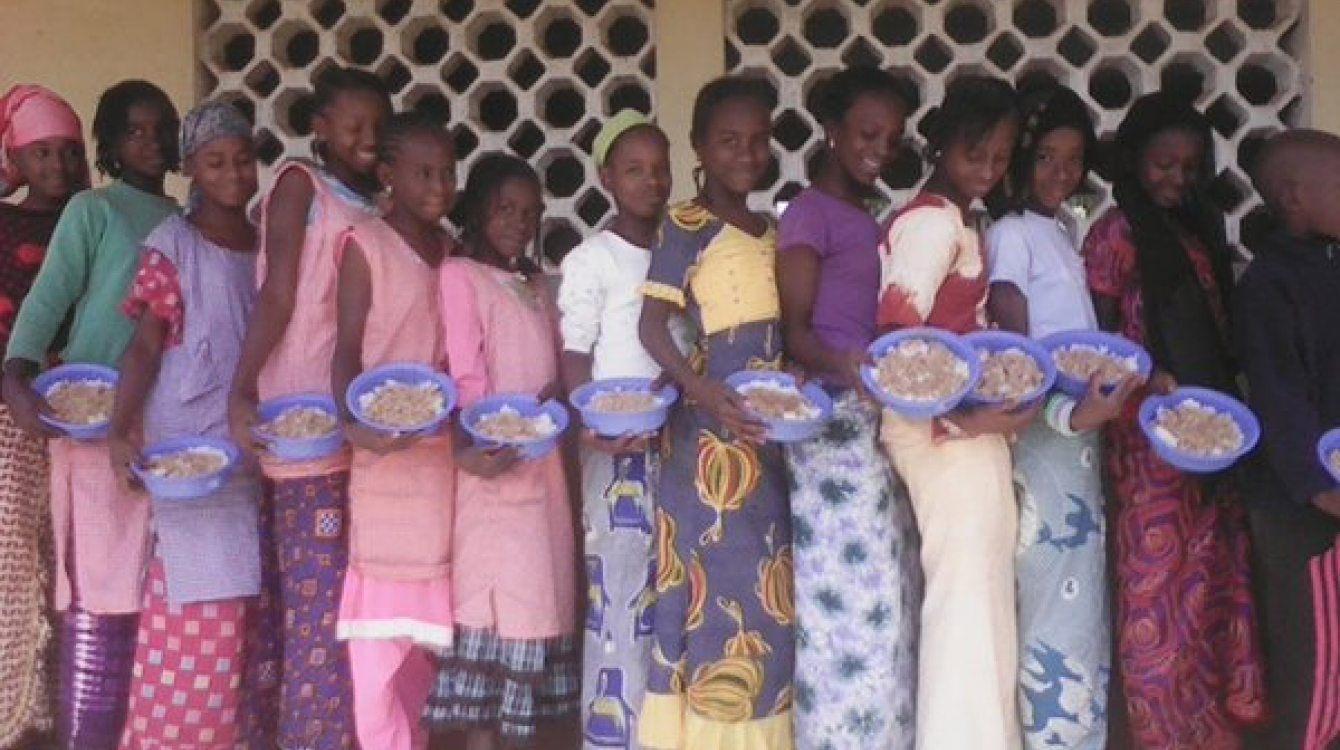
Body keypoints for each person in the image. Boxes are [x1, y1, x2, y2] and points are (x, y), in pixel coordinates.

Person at [1083, 90, 1266, 748]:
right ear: (1134, 159)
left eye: (1189, 167)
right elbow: (1098, 342)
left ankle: (1211, 732)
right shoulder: (1115, 233)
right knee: (1153, 602)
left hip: (1210, 440)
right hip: (1144, 446)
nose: (1176, 178)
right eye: (1164, 163)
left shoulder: (1199, 229)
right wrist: (1143, 380)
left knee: (1205, 594)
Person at [1, 79, 179, 750]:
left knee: (145, 591)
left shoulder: (186, 219)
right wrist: (17, 374)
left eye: (162, 128)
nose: (152, 142)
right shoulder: (92, 209)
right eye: (134, 130)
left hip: (159, 422)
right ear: (107, 145)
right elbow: (48, 301)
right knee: (95, 595)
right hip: (89, 417)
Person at [227, 65, 391, 750]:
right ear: (319, 127)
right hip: (304, 421)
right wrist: (241, 389)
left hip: (361, 422)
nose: (368, 140)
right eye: (353, 127)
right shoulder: (301, 184)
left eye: (378, 128)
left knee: (347, 610)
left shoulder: (377, 199)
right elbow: (280, 294)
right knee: (318, 616)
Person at [635, 75, 794, 750]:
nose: (746, 153)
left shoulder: (779, 230)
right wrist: (704, 396)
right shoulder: (684, 224)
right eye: (729, 140)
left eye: (758, 140)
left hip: (770, 438)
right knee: (711, 596)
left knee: (766, 596)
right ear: (700, 145)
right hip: (707, 445)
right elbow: (652, 326)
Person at [875, 73, 1030, 750]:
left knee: (981, 604)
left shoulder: (960, 218)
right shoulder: (933, 222)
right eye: (976, 154)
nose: (989, 170)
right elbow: (898, 341)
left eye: (1000, 157)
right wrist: (969, 417)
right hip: (941, 433)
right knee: (967, 609)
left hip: (961, 429)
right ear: (940, 145)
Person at [984, 84, 1140, 750]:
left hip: (1078, 433)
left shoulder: (1061, 230)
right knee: (1055, 604)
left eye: (1073, 160)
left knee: (1081, 603)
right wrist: (1074, 414)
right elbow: (1020, 356)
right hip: (1049, 436)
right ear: (1019, 158)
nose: (1062, 173)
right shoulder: (1011, 232)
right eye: (1046, 157)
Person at [105, 100, 261, 750]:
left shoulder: (266, 247)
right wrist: (121, 428)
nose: (233, 173)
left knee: (241, 614)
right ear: (190, 167)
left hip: (247, 448)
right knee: (200, 605)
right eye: (215, 161)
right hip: (188, 453)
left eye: (243, 159)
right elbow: (143, 346)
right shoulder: (174, 244)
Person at [774, 66, 921, 750]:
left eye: (891, 139)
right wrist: (851, 367)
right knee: (847, 618)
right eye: (867, 133)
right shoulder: (808, 214)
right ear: (832, 134)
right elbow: (796, 330)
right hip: (828, 428)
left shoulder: (867, 220)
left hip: (871, 419)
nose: (879, 149)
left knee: (886, 604)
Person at [423, 154, 579, 749]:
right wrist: (482, 436)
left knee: (537, 617)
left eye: (530, 212)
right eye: (505, 208)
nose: (519, 221)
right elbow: (466, 372)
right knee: (498, 635)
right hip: (495, 476)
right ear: (479, 208)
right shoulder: (460, 275)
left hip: (545, 482)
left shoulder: (537, 284)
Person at [557, 109, 685, 749]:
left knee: (667, 605)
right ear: (607, 177)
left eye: (659, 167)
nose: (651, 180)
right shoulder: (594, 259)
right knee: (618, 602)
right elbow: (576, 351)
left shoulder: (680, 251)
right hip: (615, 450)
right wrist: (590, 422)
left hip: (676, 446)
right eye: (634, 169)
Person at [330, 112, 457, 750]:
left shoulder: (454, 253)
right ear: (389, 176)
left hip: (441, 470)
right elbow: (346, 351)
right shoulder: (365, 245)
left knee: (430, 644)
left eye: (447, 172)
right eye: (423, 173)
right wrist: (356, 425)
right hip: (384, 468)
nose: (439, 185)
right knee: (378, 652)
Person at [1236, 128, 1340, 750]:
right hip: (1308, 516)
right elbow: (1279, 406)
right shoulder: (1269, 287)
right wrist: (1324, 493)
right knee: (1314, 680)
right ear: (1294, 199)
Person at [0, 83, 88, 750]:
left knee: (73, 561)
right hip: (9, 418)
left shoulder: (93, 220)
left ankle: (59, 710)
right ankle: (13, 713)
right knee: (11, 563)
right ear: (15, 159)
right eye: (40, 153)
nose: (56, 167)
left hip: (84, 412)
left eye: (67, 151)